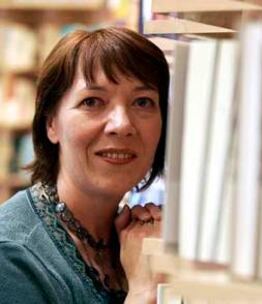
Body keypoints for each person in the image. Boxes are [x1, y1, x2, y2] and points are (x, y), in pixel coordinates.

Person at [0, 26, 170, 304]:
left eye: (142, 102)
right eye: (92, 101)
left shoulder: (133, 241)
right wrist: (143, 293)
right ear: (51, 124)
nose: (122, 124)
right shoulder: (11, 256)